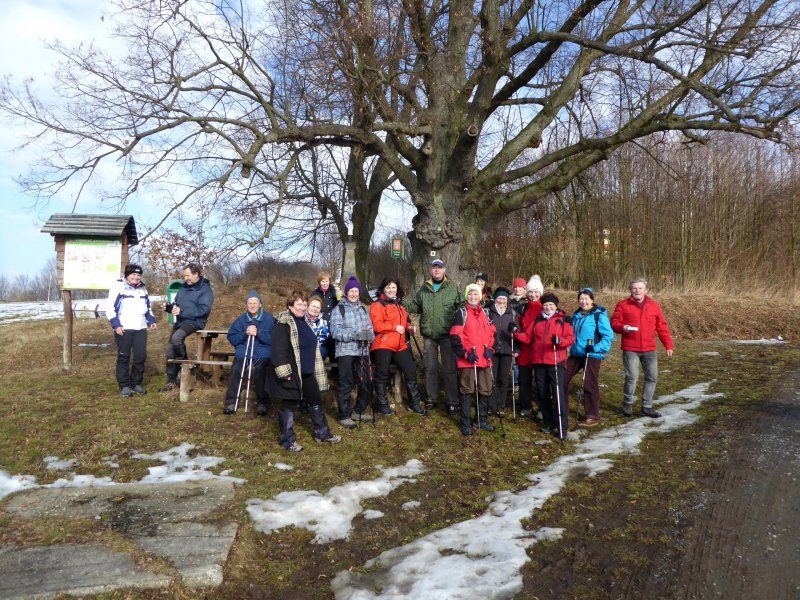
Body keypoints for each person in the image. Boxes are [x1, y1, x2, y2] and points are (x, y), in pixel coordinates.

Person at [267, 290, 341, 451]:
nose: (302, 307)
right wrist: (284, 372)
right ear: (290, 305)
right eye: (299, 304)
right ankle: (287, 440)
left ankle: (322, 433)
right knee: (288, 405)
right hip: (292, 372)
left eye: (304, 304)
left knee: (316, 401)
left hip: (307, 372)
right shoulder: (283, 324)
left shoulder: (304, 322)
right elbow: (278, 350)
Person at [404, 259, 462, 415]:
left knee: (449, 369)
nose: (436, 270)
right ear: (431, 270)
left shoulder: (452, 287)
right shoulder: (424, 288)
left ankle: (451, 401)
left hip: (447, 335)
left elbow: (462, 306)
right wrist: (400, 302)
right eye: (434, 268)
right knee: (430, 368)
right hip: (429, 335)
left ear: (444, 270)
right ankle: (432, 399)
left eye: (439, 268)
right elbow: (414, 306)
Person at [611, 278, 674, 418]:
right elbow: (614, 322)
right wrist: (623, 327)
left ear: (646, 290)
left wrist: (668, 345)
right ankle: (627, 404)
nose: (637, 291)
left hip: (649, 349)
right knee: (631, 377)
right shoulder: (622, 305)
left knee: (652, 377)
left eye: (640, 288)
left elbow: (662, 327)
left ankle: (647, 407)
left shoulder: (654, 306)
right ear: (630, 290)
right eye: (634, 288)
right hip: (630, 348)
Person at [519, 292, 575, 439]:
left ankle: (562, 426)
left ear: (555, 306)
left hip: (556, 361)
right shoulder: (538, 320)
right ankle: (548, 422)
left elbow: (570, 338)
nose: (548, 307)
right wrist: (515, 333)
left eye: (551, 305)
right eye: (545, 305)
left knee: (557, 394)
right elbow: (528, 337)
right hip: (538, 362)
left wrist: (560, 341)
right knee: (542, 394)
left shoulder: (564, 319)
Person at [369, 277, 426, 417]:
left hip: (400, 345)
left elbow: (403, 323)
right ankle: (382, 405)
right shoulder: (378, 305)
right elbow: (376, 326)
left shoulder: (400, 305)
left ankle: (414, 404)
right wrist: (395, 327)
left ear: (397, 290)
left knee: (411, 370)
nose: (391, 290)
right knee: (382, 373)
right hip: (383, 343)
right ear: (383, 289)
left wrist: (409, 327)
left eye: (393, 287)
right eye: (388, 287)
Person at [159, 263, 215, 392]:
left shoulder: (206, 290)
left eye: (188, 276)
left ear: (196, 274)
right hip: (181, 321)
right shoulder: (184, 287)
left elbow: (203, 309)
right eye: (184, 276)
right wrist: (169, 307)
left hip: (195, 322)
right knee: (169, 350)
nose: (185, 278)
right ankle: (172, 381)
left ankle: (184, 368)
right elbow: (177, 304)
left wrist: (182, 311)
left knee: (177, 337)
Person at [450, 283, 497, 435]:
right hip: (468, 360)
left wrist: (491, 349)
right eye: (470, 294)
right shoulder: (461, 313)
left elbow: (492, 334)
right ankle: (465, 423)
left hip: (484, 358)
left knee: (485, 389)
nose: (473, 297)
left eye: (475, 294)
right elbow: (455, 338)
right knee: (467, 390)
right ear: (466, 296)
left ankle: (481, 420)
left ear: (480, 296)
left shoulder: (486, 313)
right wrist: (465, 354)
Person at [563, 288, 614, 427]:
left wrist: (596, 348)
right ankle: (562, 409)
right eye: (581, 298)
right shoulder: (576, 315)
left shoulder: (599, 315)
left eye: (586, 298)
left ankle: (592, 415)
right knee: (562, 377)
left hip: (592, 354)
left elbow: (608, 336)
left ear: (592, 300)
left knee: (589, 383)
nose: (584, 301)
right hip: (576, 354)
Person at [329, 276, 374, 428]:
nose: (354, 294)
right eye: (351, 291)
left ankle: (358, 410)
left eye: (356, 291)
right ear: (346, 293)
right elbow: (335, 332)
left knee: (366, 382)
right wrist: (355, 335)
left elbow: (370, 329)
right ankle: (344, 415)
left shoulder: (363, 309)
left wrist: (369, 337)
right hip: (345, 351)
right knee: (346, 383)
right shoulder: (339, 309)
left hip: (363, 351)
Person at [106, 264, 157, 396]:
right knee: (124, 357)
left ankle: (136, 383)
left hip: (140, 327)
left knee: (140, 356)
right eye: (133, 274)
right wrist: (116, 325)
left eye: (138, 275)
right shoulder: (118, 287)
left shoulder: (143, 289)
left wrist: (151, 321)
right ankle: (124, 385)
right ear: (127, 275)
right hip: (124, 328)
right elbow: (110, 308)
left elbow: (147, 308)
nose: (136, 277)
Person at [223, 290, 276, 416]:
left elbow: (274, 339)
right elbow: (232, 337)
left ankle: (262, 402)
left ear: (260, 304)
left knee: (260, 370)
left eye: (255, 303)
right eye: (249, 303)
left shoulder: (270, 319)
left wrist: (259, 334)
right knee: (237, 368)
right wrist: (244, 333)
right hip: (244, 351)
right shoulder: (241, 320)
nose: (252, 305)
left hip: (263, 352)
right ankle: (231, 402)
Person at [513, 275, 544, 418]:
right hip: (524, 351)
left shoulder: (545, 308)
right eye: (530, 292)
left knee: (541, 382)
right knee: (524, 381)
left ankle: (542, 408)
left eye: (536, 292)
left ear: (540, 292)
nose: (533, 294)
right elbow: (517, 325)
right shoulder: (522, 308)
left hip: (539, 351)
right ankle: (525, 406)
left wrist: (518, 335)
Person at [487, 287, 515, 416]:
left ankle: (501, 406)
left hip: (507, 350)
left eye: (504, 298)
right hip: (492, 350)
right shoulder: (489, 312)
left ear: (507, 300)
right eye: (499, 298)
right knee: (492, 378)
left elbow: (518, 331)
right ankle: (491, 405)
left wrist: (517, 348)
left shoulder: (512, 313)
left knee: (503, 379)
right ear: (495, 299)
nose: (502, 300)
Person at [302, 295, 332, 414]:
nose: (315, 309)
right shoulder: (301, 320)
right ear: (308, 306)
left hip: (319, 348)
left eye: (318, 307)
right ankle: (307, 398)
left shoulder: (323, 322)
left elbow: (326, 337)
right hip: (304, 349)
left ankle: (308, 400)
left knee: (315, 356)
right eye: (313, 306)